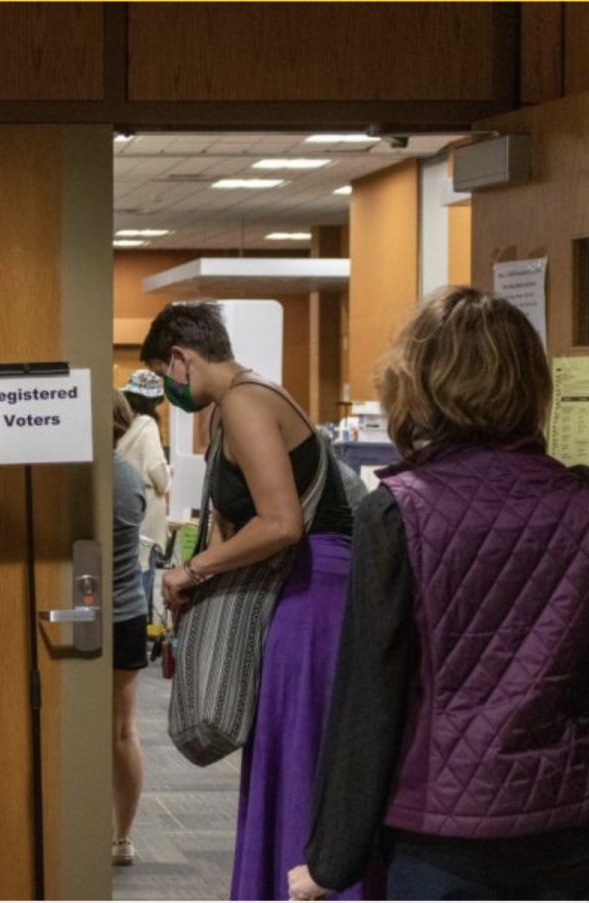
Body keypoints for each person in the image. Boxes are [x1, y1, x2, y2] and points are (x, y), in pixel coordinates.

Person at [288, 287, 589, 901]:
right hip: (569, 823)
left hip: (440, 835)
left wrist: (329, 861)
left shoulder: (397, 513)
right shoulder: (580, 504)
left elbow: (370, 699)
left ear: (418, 382)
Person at [140, 301, 375, 900]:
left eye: (165, 377)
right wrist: (202, 576)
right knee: (282, 747)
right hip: (297, 593)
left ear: (181, 359)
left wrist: (191, 569)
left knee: (300, 752)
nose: (168, 392)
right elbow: (233, 521)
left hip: (313, 595)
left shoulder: (246, 402)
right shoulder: (230, 409)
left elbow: (281, 524)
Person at [111, 390, 148, 868]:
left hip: (95, 613)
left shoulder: (85, 474)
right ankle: (122, 838)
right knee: (121, 731)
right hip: (128, 611)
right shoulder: (126, 474)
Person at [117, 370, 171, 615]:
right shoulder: (147, 425)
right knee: (143, 581)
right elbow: (157, 473)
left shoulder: (125, 423)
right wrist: (169, 474)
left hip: (128, 510)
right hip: (147, 518)